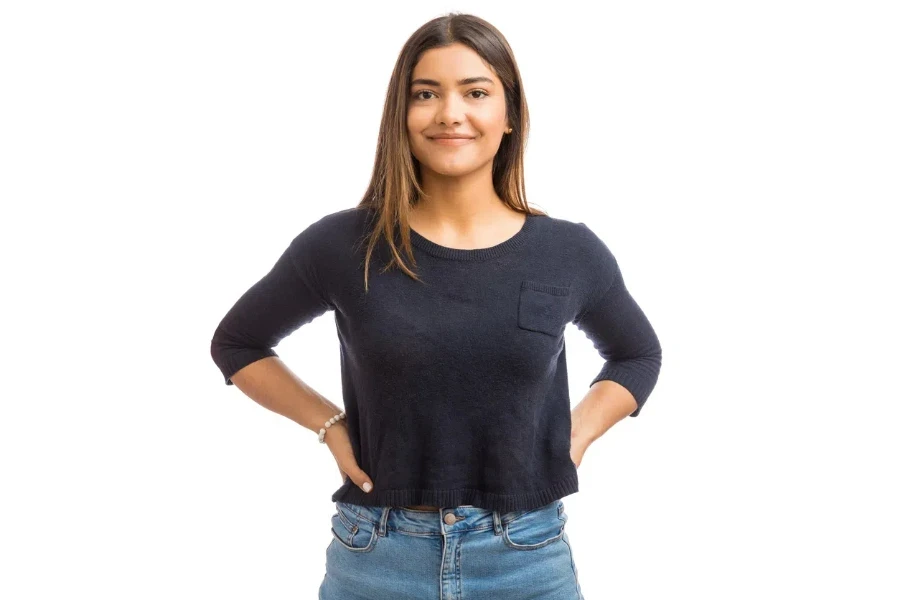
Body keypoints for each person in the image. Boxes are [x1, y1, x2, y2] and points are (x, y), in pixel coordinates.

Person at [210, 12, 662, 600]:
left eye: (475, 92)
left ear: (510, 115)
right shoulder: (342, 246)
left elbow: (636, 354)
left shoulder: (568, 251)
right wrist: (328, 424)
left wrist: (572, 436)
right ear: (401, 115)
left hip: (526, 558)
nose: (451, 113)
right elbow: (238, 343)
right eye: (426, 94)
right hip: (378, 556)